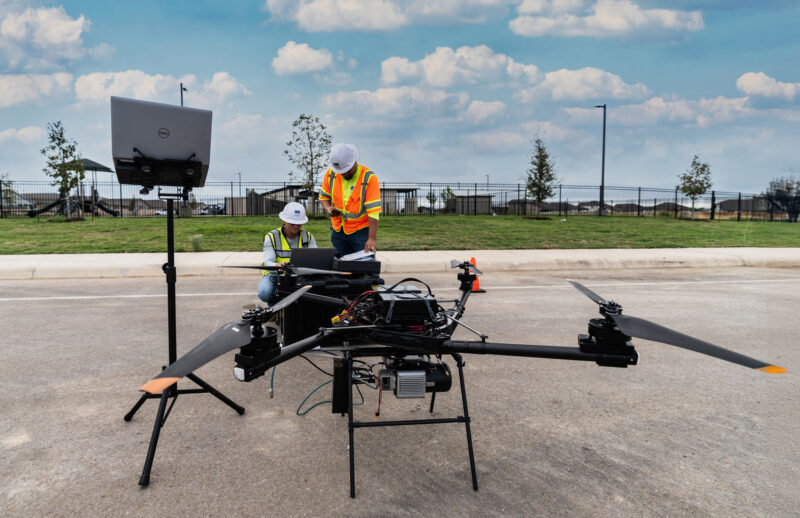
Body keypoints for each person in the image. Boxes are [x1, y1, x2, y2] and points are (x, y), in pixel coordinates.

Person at [319, 143, 381, 256]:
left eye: (347, 170)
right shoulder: (331, 174)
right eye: (341, 171)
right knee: (341, 268)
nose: (344, 173)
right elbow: (323, 196)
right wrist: (328, 208)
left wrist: (372, 239)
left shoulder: (369, 178)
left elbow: (374, 212)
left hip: (360, 232)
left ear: (354, 162)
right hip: (338, 231)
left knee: (365, 267)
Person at [257, 201, 317, 304]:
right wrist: (277, 265)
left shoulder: (308, 237)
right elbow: (267, 262)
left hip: (300, 275)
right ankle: (273, 306)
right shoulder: (272, 237)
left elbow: (316, 259)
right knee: (265, 292)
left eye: (299, 224)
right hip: (275, 275)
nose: (296, 227)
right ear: (284, 221)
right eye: (292, 223)